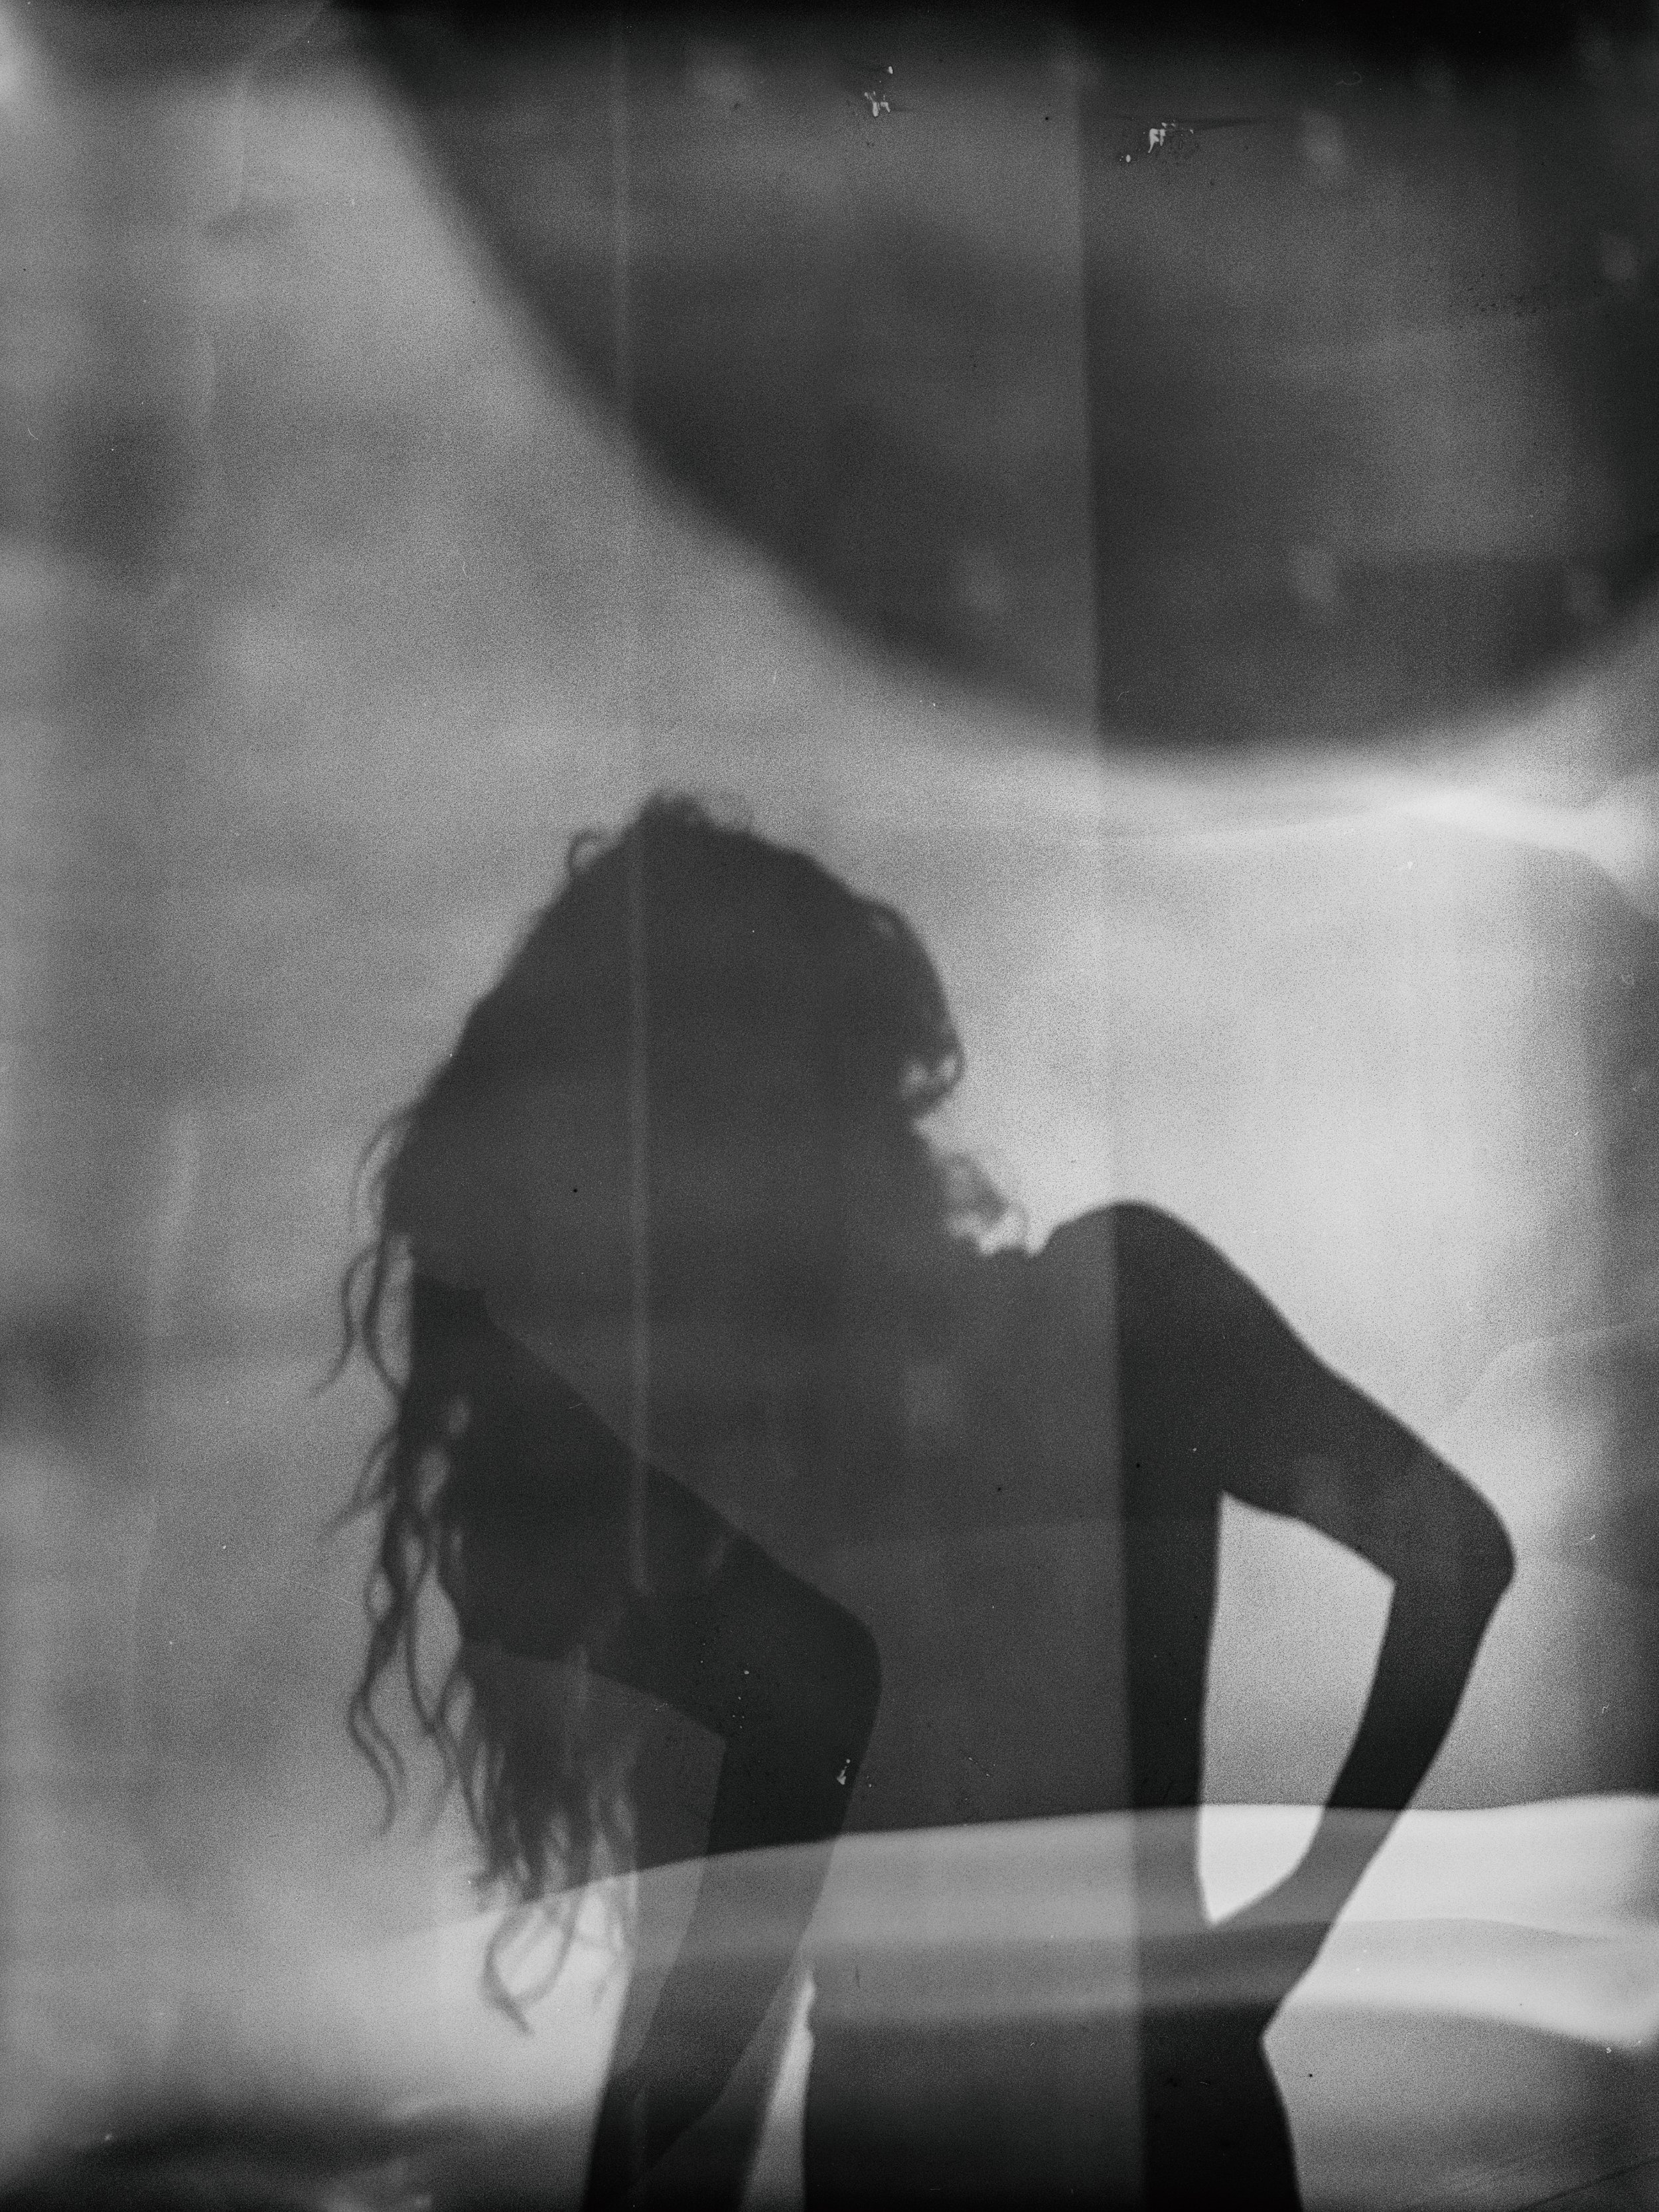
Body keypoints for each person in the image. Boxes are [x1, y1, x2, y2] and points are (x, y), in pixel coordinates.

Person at [338, 795, 1515, 2211]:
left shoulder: (1098, 1308)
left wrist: (1281, 1940)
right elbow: (712, 2009)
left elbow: (1457, 1553)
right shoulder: (757, 1484)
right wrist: (1267, 1946)